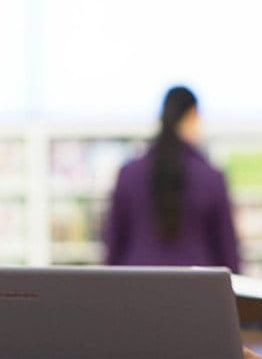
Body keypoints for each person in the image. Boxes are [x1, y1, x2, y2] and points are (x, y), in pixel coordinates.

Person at [103, 86, 241, 273]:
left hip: (137, 282)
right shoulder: (211, 177)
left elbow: (113, 244)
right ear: (192, 115)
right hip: (199, 283)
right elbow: (227, 249)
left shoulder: (128, 174)